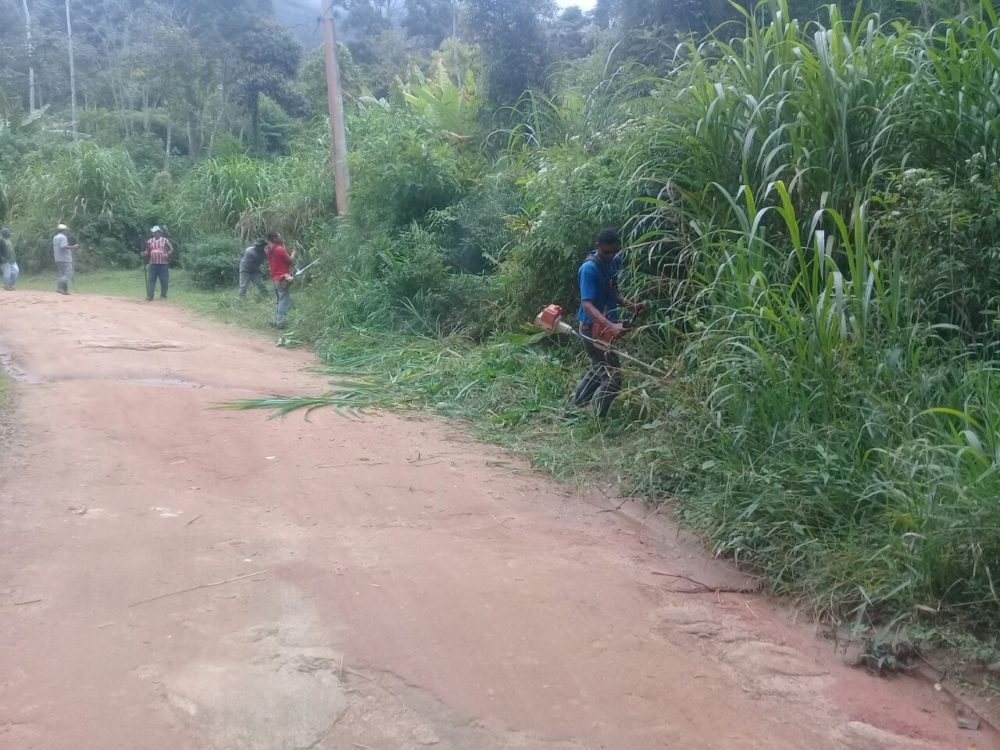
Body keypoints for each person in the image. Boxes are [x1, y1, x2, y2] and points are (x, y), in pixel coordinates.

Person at [570, 228, 645, 418]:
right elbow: (587, 304)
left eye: (614, 252)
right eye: (606, 252)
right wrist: (610, 326)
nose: (610, 256)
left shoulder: (612, 262)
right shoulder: (589, 269)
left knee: (599, 371)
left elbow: (612, 292)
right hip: (591, 330)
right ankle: (597, 419)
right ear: (598, 246)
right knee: (612, 377)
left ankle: (574, 408)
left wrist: (631, 306)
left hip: (604, 329)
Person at [265, 230, 295, 328]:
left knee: (279, 300)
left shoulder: (269, 250)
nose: (281, 237)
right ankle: (280, 322)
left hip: (275, 278)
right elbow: (290, 261)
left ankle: (277, 320)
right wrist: (293, 253)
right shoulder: (279, 249)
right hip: (282, 278)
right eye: (279, 236)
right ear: (274, 239)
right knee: (284, 301)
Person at [144, 225, 173, 300]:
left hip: (163, 264)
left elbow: (171, 249)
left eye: (156, 232)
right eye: (153, 232)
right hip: (152, 264)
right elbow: (147, 251)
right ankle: (150, 296)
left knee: (164, 280)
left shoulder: (165, 240)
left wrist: (167, 254)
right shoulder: (149, 241)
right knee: (151, 280)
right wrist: (145, 253)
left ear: (160, 232)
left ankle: (163, 295)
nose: (154, 233)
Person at [53, 223, 78, 295]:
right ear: (63, 230)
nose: (67, 232)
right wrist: (73, 247)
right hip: (65, 259)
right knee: (68, 275)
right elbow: (63, 246)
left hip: (58, 258)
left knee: (62, 274)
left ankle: (64, 290)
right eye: (66, 230)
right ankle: (60, 288)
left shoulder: (55, 237)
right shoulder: (63, 237)